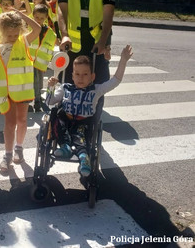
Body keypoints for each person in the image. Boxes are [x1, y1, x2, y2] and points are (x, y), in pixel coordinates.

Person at [47, 45, 133, 177]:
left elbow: (115, 81)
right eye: (77, 74)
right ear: (72, 76)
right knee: (56, 119)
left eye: (85, 74)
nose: (80, 78)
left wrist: (123, 61)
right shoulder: (65, 88)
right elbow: (50, 102)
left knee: (80, 135)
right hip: (65, 118)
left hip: (84, 123)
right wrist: (51, 88)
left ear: (92, 76)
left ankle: (83, 158)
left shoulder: (96, 90)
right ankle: (65, 147)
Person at [0, 9, 41, 172]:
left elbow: (37, 29)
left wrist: (20, 15)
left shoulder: (24, 41)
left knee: (22, 121)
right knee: (9, 124)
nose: (13, 38)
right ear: (1, 32)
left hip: (23, 92)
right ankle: (7, 155)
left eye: (15, 35)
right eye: (9, 36)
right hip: (6, 94)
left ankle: (19, 149)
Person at [29, 4, 57, 112]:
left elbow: (50, 46)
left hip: (40, 63)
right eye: (37, 17)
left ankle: (37, 98)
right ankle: (33, 101)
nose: (39, 20)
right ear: (33, 15)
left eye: (42, 18)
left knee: (38, 82)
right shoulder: (28, 27)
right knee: (30, 82)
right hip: (29, 61)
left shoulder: (49, 32)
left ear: (46, 18)